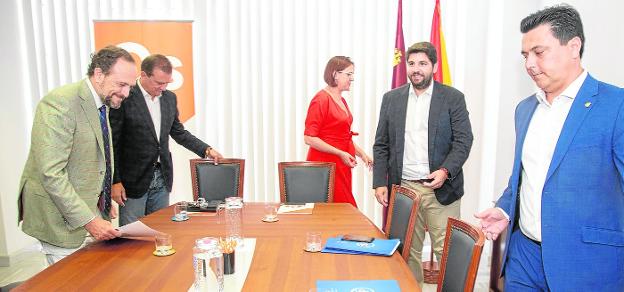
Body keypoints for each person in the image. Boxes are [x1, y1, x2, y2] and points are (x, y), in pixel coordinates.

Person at [475, 4, 624, 291]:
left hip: (588, 265)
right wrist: (505, 210)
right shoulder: (525, 109)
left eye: (539, 52)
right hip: (524, 259)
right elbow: (524, 178)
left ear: (573, 47)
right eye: (525, 55)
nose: (529, 64)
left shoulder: (615, 106)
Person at [18, 46, 134, 265]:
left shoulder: (102, 103)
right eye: (122, 84)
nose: (126, 93)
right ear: (99, 74)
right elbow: (51, 172)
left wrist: (103, 196)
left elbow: (93, 159)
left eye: (129, 86)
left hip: (87, 210)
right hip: (60, 221)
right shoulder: (61, 102)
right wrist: (90, 220)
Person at [373, 42, 473, 284]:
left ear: (434, 67)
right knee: (406, 252)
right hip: (404, 188)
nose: (416, 69)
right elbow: (381, 144)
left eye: (422, 64)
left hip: (441, 187)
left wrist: (445, 171)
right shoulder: (391, 99)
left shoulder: (452, 98)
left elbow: (463, 140)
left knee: (447, 253)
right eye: (411, 63)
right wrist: (379, 182)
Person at [110, 54, 223, 226]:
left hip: (162, 177)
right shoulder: (125, 97)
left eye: (167, 83)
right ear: (144, 75)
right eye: (159, 83)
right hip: (132, 181)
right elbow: (114, 143)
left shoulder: (170, 98)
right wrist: (115, 181)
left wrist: (206, 150)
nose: (163, 87)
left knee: (159, 230)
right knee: (132, 235)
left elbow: (178, 132)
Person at [304, 56, 373, 207]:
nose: (352, 79)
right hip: (325, 165)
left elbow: (342, 137)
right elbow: (309, 138)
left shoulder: (341, 100)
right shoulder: (321, 99)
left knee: (342, 210)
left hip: (341, 164)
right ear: (335, 74)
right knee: (341, 210)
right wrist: (340, 153)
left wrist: (362, 154)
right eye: (349, 74)